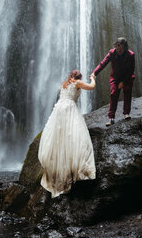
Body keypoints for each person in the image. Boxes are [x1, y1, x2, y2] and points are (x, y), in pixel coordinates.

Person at [38, 70, 96, 198]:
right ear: (78, 77)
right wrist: (93, 78)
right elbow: (92, 87)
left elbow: (61, 98)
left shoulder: (64, 84)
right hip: (69, 108)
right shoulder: (78, 82)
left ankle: (56, 171)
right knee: (73, 135)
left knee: (59, 135)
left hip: (59, 109)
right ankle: (74, 170)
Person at [92, 37, 135, 126]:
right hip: (115, 78)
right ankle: (111, 118)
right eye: (117, 48)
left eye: (121, 49)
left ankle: (126, 113)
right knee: (113, 93)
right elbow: (103, 63)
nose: (119, 50)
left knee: (127, 91)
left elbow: (131, 70)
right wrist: (94, 73)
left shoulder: (130, 55)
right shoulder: (112, 52)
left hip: (127, 77)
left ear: (125, 48)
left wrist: (123, 82)